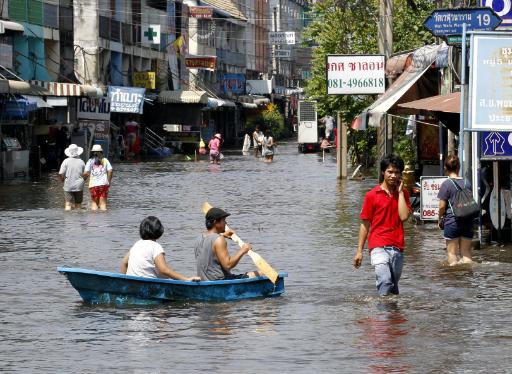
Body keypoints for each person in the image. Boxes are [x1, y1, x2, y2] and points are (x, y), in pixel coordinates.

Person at [353, 154, 412, 296]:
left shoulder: (403, 194)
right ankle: (382, 315)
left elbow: (404, 217)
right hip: (378, 246)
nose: (393, 175)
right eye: (389, 172)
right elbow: (365, 224)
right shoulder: (371, 195)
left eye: (396, 172)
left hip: (397, 247)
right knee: (385, 281)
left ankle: (392, 315)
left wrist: (401, 194)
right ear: (383, 172)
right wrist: (359, 251)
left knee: (393, 288)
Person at [120, 216, 200, 281]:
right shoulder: (155, 246)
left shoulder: (137, 244)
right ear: (159, 231)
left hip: (133, 283)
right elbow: (163, 269)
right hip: (148, 284)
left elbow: (124, 262)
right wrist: (186, 279)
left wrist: (124, 282)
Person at [195, 207, 260, 281]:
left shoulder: (199, 238)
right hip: (220, 282)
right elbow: (228, 265)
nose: (226, 223)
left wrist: (223, 235)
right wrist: (243, 250)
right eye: (224, 220)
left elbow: (211, 242)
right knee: (261, 274)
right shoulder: (219, 240)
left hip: (204, 282)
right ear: (216, 222)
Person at [437, 155, 474, 266]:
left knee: (452, 253)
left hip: (452, 222)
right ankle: (468, 274)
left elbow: (442, 207)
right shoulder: (467, 183)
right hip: (467, 221)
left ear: (445, 168)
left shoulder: (446, 184)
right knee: (466, 253)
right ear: (459, 167)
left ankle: (454, 279)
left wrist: (439, 219)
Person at [83, 144, 113, 211]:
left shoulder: (90, 161)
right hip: (103, 184)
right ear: (101, 152)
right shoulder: (105, 160)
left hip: (93, 185)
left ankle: (94, 221)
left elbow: (86, 173)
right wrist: (108, 182)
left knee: (94, 203)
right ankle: (103, 220)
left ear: (93, 152)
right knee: (103, 204)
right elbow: (110, 171)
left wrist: (82, 180)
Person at [58, 144, 86, 210]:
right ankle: (78, 219)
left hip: (68, 184)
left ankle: (68, 219)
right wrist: (82, 180)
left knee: (68, 203)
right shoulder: (81, 162)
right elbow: (86, 174)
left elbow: (61, 173)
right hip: (79, 185)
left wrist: (63, 180)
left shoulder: (66, 161)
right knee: (78, 204)